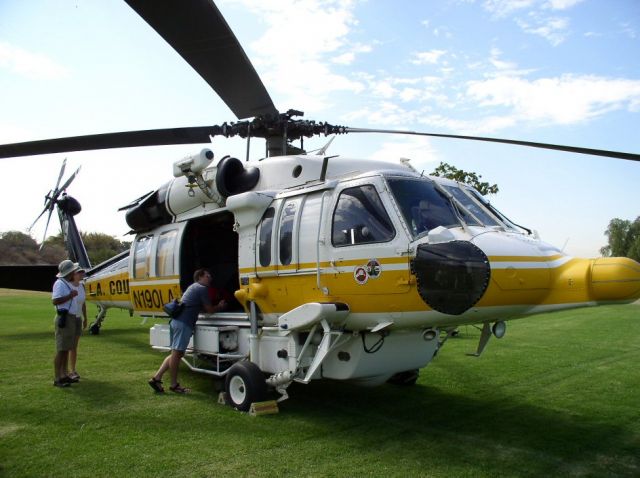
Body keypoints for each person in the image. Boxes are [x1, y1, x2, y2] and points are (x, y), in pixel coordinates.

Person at [148, 269, 227, 394]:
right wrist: (220, 306)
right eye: (208, 276)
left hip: (177, 322)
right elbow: (209, 309)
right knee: (177, 354)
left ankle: (156, 378)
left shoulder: (193, 287)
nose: (210, 278)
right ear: (200, 277)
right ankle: (174, 385)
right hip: (183, 324)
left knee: (177, 354)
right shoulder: (201, 288)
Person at [51, 260, 81, 388]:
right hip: (65, 317)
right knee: (61, 349)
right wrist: (71, 295)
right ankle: (58, 377)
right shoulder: (60, 284)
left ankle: (63, 375)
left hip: (70, 317)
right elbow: (55, 300)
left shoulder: (65, 283)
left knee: (66, 348)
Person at [68, 268, 87, 381]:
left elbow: (83, 303)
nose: (82, 274)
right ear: (73, 274)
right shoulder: (67, 285)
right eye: (79, 272)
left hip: (78, 318)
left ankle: (73, 370)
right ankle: (64, 371)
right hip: (69, 318)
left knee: (74, 346)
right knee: (66, 346)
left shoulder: (82, 286)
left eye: (82, 272)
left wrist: (85, 317)